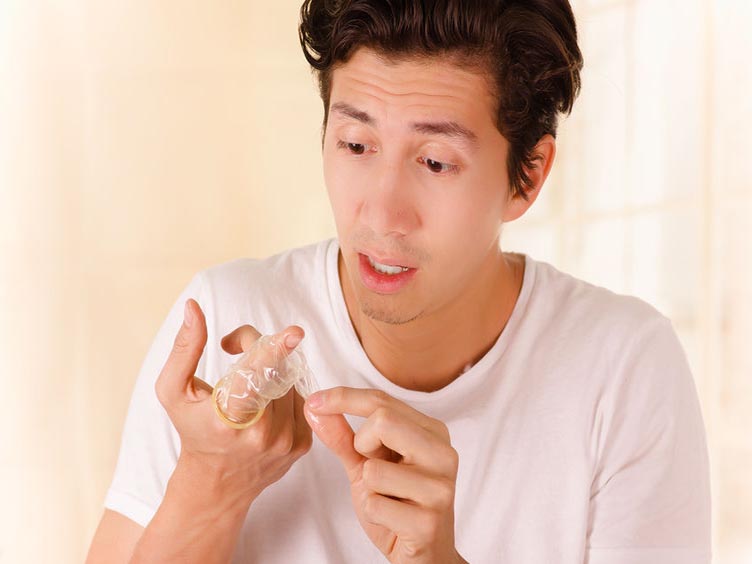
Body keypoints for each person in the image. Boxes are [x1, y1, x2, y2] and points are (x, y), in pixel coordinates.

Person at [86, 1, 711, 563]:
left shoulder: (624, 366)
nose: (381, 214)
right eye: (356, 145)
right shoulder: (226, 324)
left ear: (527, 176)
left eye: (436, 162)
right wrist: (209, 483)